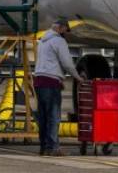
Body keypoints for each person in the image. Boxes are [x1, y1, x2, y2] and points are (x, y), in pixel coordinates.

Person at [34, 18, 83, 157]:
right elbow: (67, 63)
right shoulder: (59, 41)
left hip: (39, 81)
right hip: (50, 82)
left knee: (43, 117)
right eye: (65, 30)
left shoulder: (42, 40)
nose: (65, 33)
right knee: (54, 117)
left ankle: (44, 147)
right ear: (60, 28)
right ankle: (53, 147)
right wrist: (77, 77)